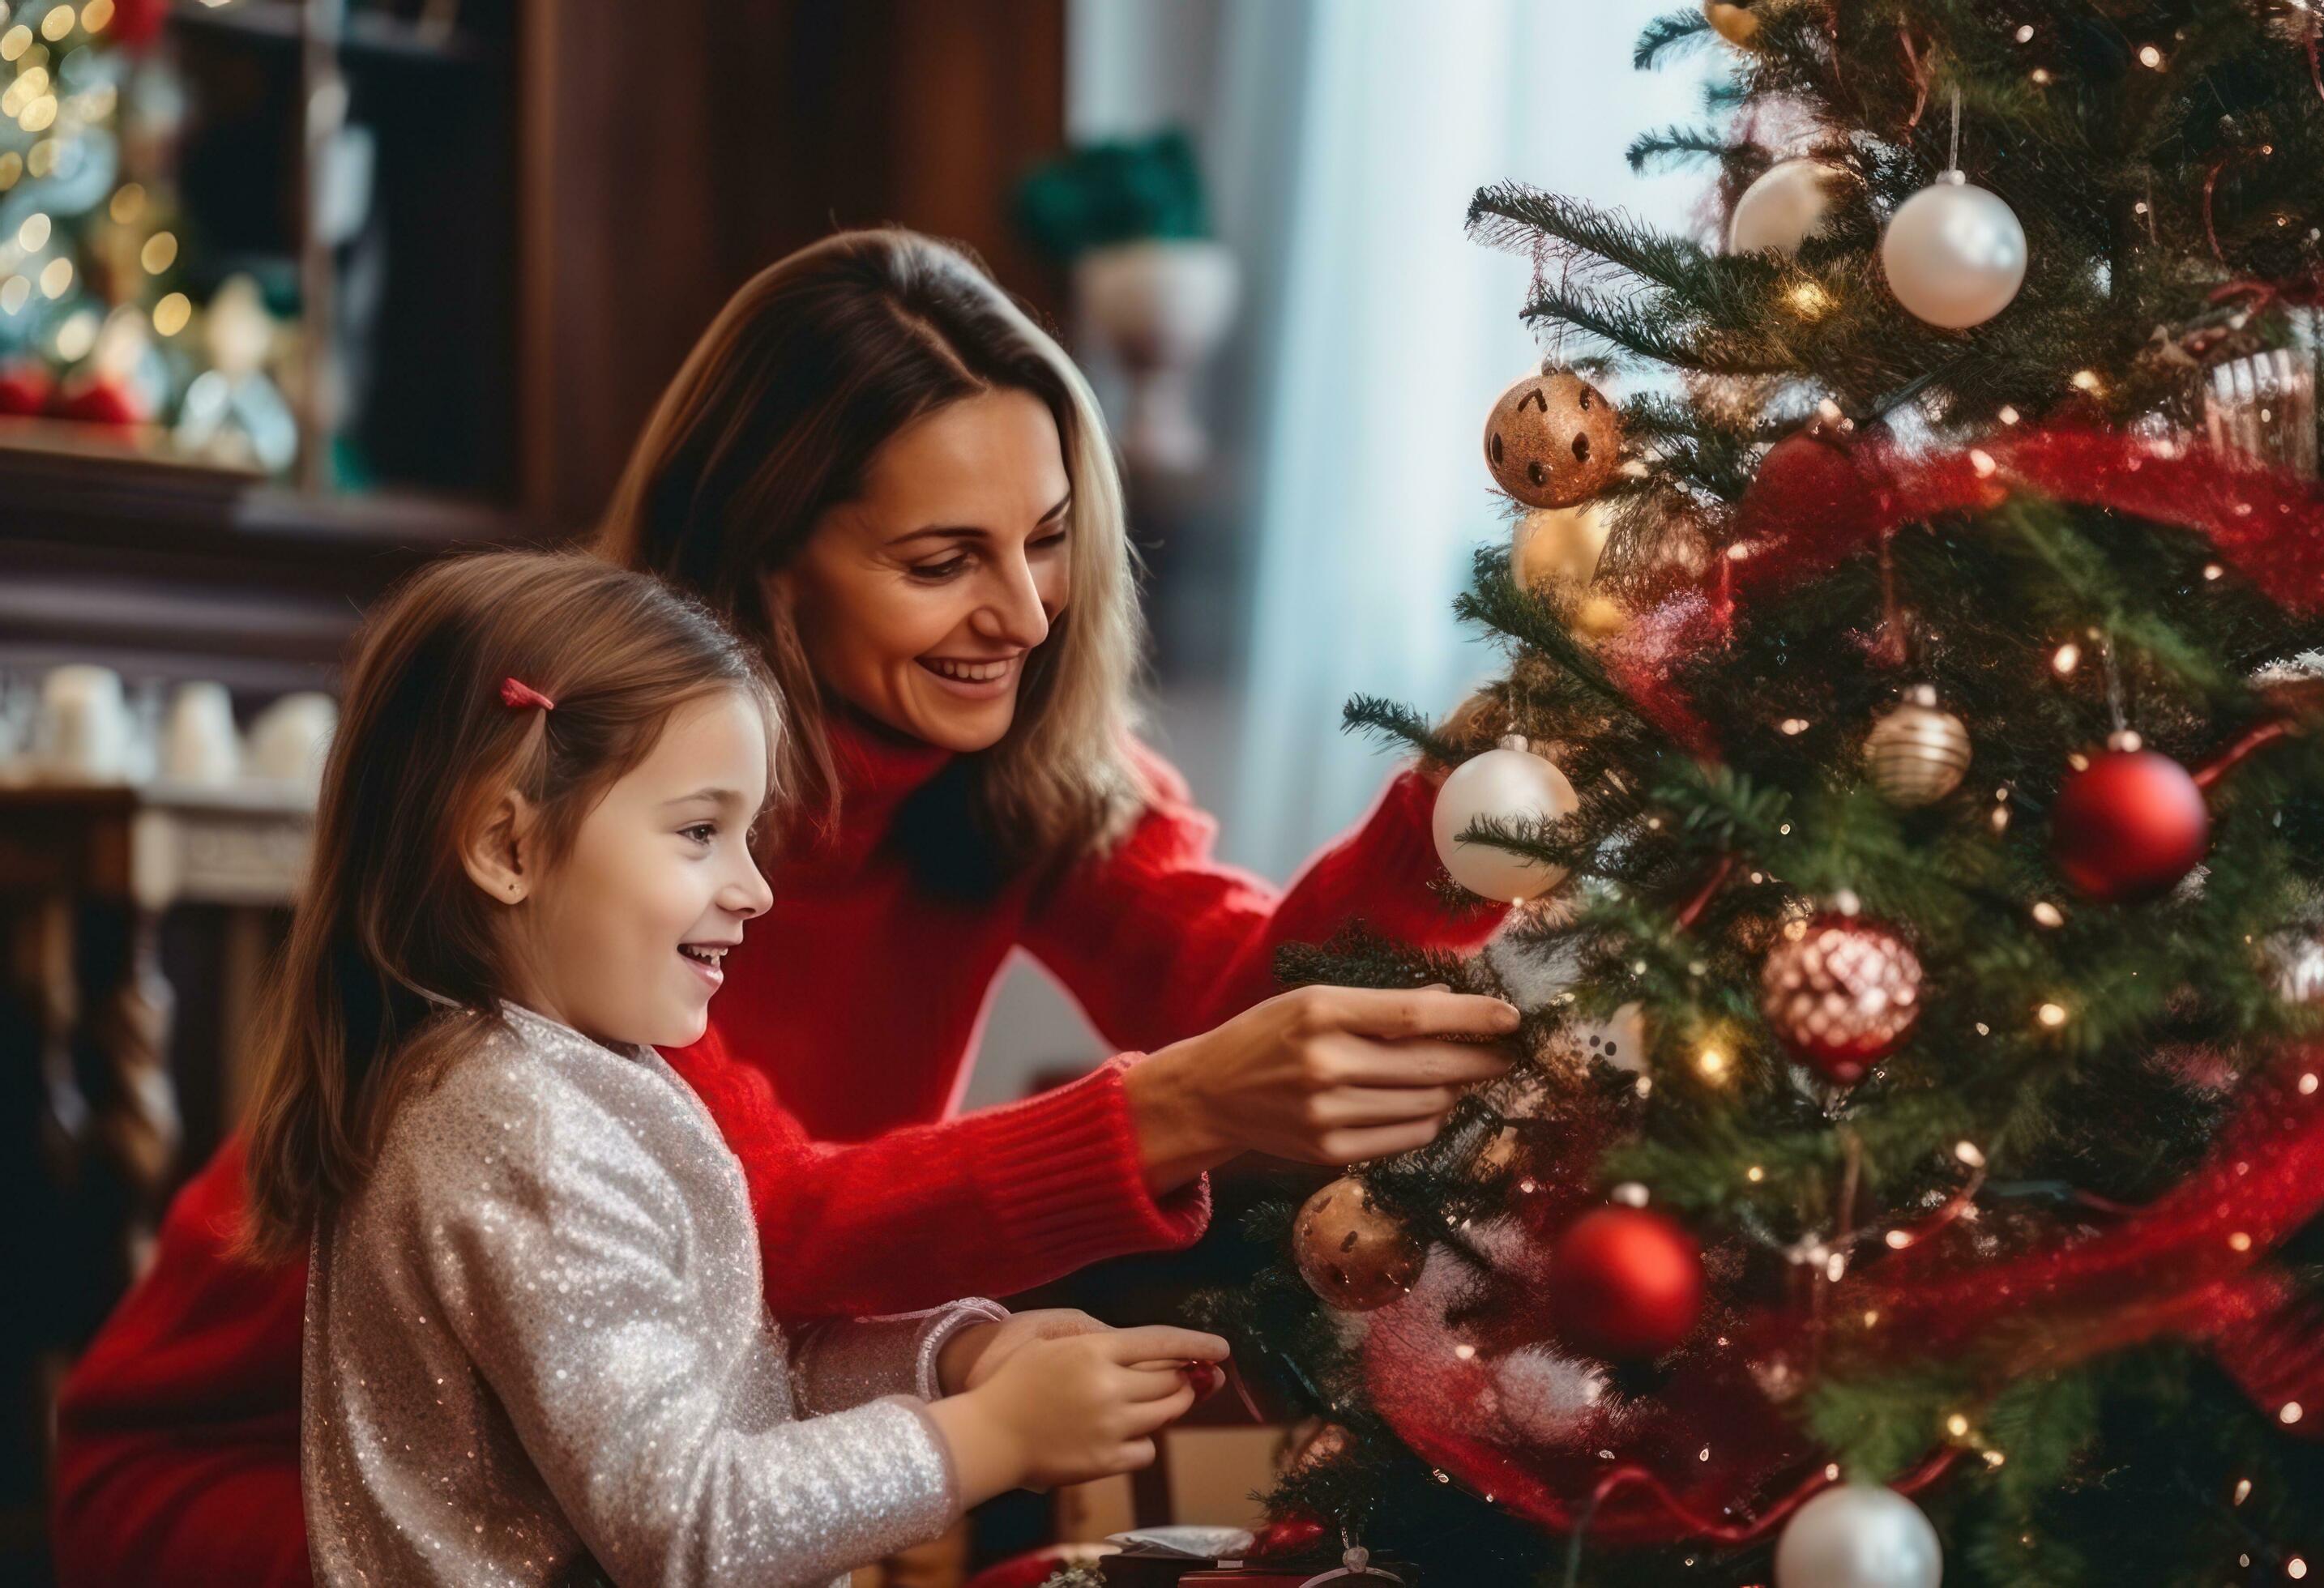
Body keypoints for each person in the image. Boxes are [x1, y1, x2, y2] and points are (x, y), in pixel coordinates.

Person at [53, 229, 1516, 1586]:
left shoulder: (1008, 774)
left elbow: (1256, 992)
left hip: (625, 1455)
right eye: (942, 560)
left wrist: (1463, 816)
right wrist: (1162, 1125)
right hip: (270, 1476)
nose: (1025, 611)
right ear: (767, 561)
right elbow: (756, 1232)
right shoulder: (601, 857)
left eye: (1049, 537)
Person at [258, 549, 1229, 1585]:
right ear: (507, 845)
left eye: (748, 834)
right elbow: (691, 1528)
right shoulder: (514, 1127)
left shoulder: (586, 1080)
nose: (754, 888)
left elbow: (741, 1378)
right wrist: (992, 1437)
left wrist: (954, 1359)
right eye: (699, 832)